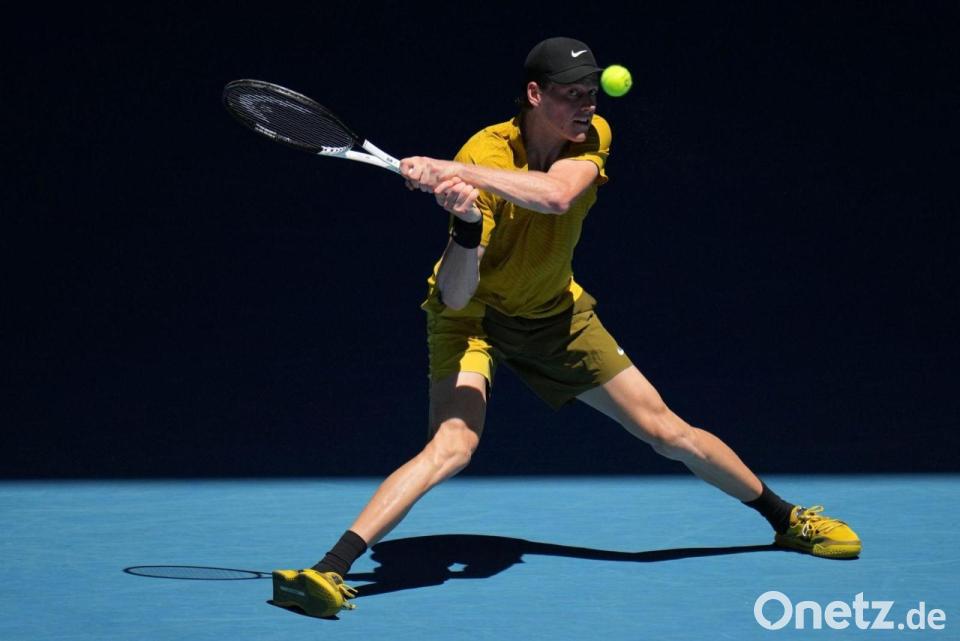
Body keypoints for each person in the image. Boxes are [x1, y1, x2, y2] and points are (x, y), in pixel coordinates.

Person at [271, 36, 861, 618]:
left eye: (591, 93)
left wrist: (454, 170)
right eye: (571, 94)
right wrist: (467, 225)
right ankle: (327, 570)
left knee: (667, 431)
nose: (587, 105)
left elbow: (555, 197)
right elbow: (455, 294)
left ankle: (787, 520)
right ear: (535, 94)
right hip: (473, 320)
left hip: (555, 314)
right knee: (452, 445)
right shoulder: (486, 150)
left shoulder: (591, 136)